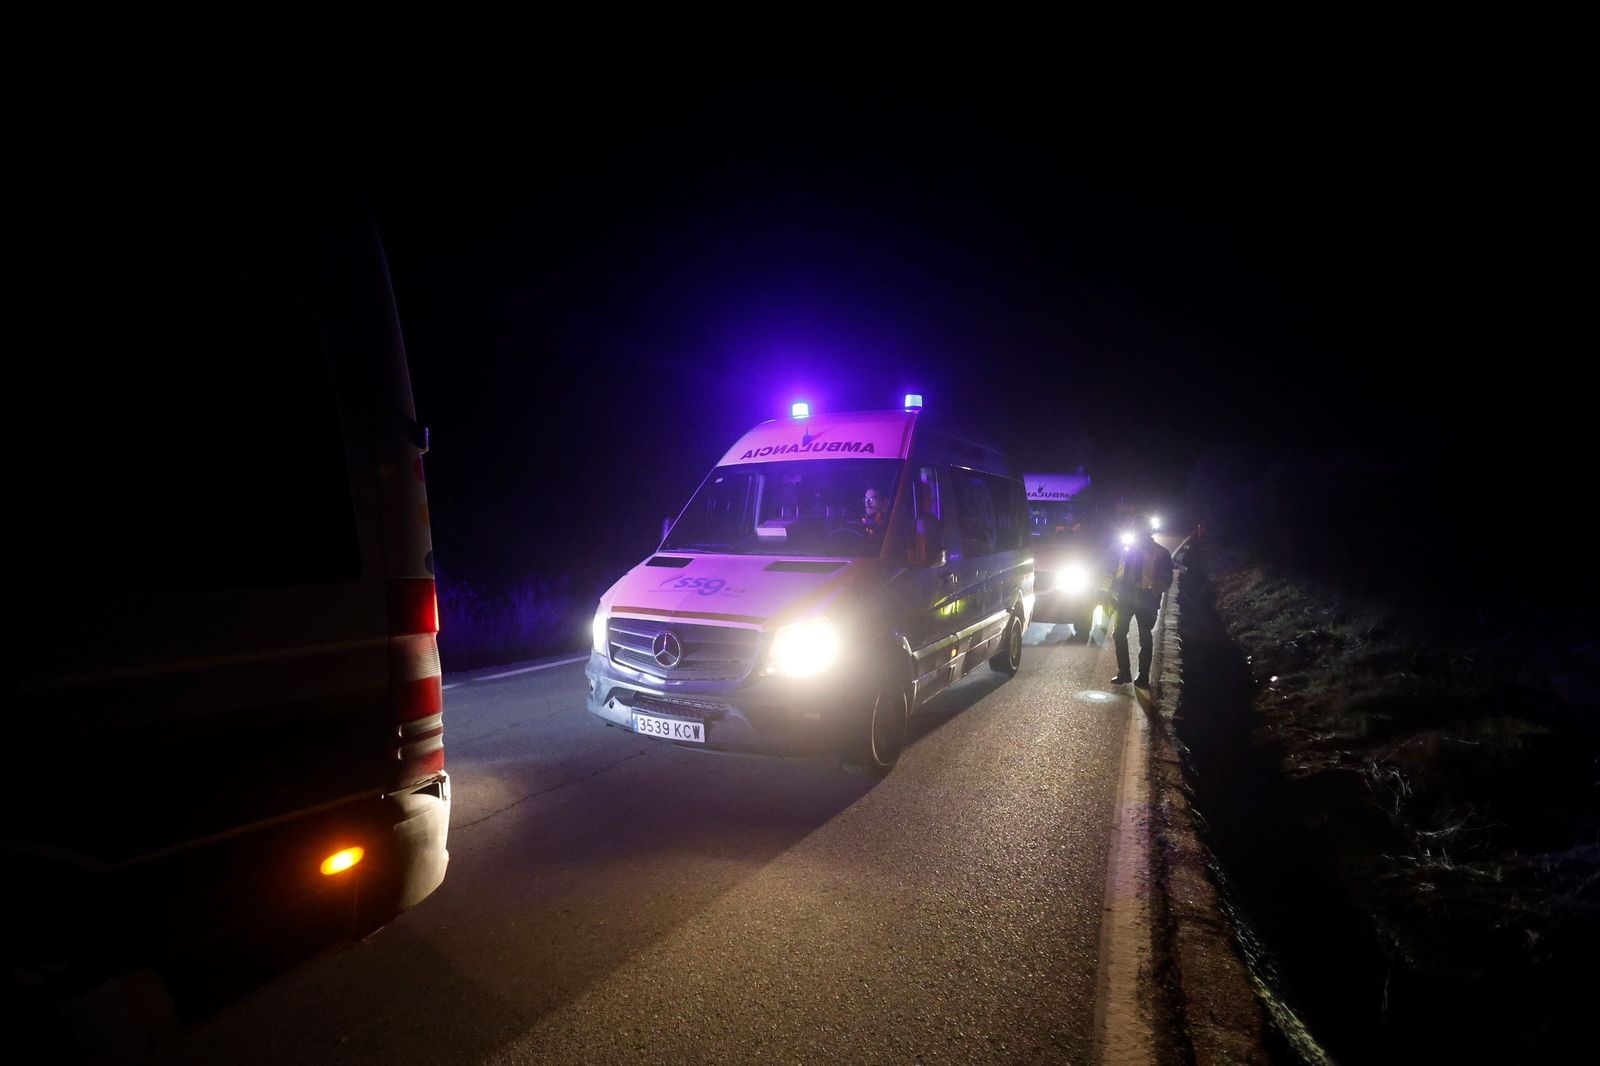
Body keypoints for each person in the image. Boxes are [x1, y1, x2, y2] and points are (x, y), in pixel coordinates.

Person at [1110, 523, 1174, 687]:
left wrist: (1153, 591)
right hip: (1127, 596)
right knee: (1119, 634)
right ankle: (1124, 672)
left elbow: (1166, 579)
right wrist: (1114, 592)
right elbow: (1119, 572)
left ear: (1147, 534)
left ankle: (1143, 676)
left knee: (1145, 637)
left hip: (1147, 598)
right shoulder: (1129, 551)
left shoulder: (1160, 553)